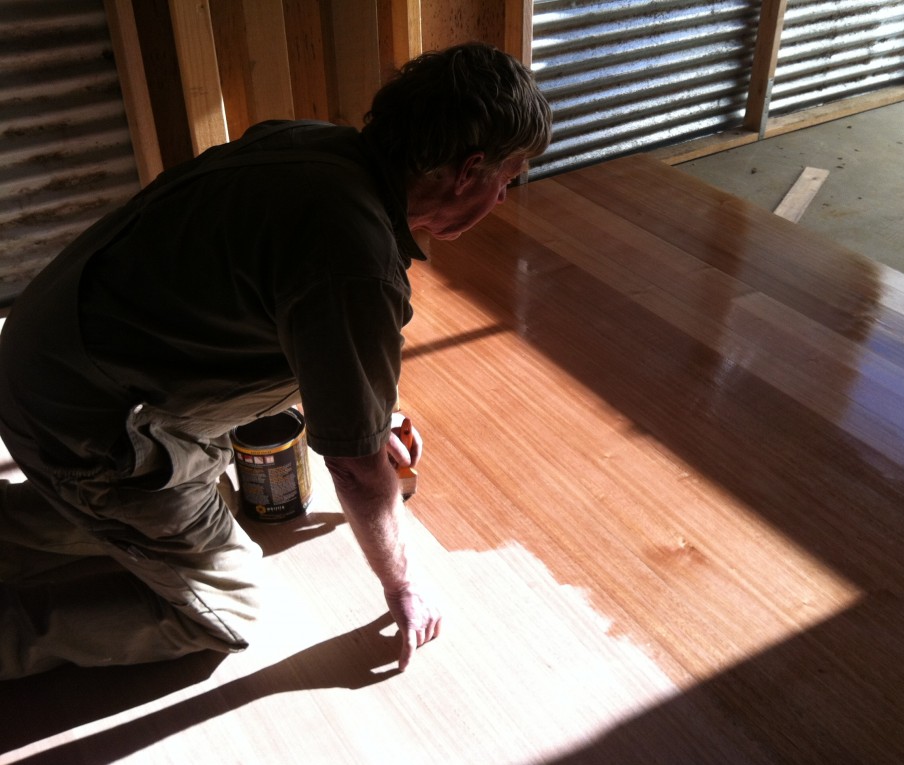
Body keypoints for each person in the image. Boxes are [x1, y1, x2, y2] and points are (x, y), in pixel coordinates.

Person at [0, 42, 552, 679]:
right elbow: (354, 469)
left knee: (219, 504)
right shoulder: (354, 262)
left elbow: (262, 297)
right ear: (468, 170)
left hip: (44, 356)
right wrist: (404, 586)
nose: (504, 198)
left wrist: (369, 407)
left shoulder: (308, 145)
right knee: (227, 613)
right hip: (93, 425)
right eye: (506, 179)